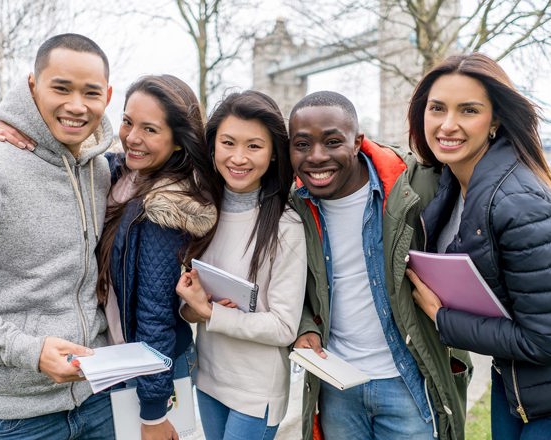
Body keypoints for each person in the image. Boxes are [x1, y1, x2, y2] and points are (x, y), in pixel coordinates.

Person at [0, 34, 116, 439]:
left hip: (98, 400)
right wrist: (31, 353)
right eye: (61, 88)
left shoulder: (101, 172)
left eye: (90, 92)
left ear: (107, 96)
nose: (76, 105)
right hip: (14, 419)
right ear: (32, 86)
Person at [289, 91, 472, 440]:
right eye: (302, 144)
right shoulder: (293, 206)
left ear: (357, 142)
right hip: (336, 384)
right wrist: (302, 326)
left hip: (407, 381)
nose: (316, 157)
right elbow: (292, 284)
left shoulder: (416, 185)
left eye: (332, 142)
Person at [407, 53, 551, 439]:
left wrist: (442, 320)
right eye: (437, 108)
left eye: (468, 110)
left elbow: (544, 338)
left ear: (496, 120)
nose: (447, 124)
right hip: (515, 383)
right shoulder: (452, 185)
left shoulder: (520, 204)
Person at [175, 90, 307, 440]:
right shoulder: (202, 213)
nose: (238, 157)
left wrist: (212, 315)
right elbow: (194, 307)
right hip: (209, 377)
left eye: (254, 146)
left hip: (255, 390)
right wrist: (193, 307)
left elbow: (283, 327)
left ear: (274, 153)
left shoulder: (286, 225)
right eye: (228, 142)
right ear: (213, 146)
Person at [96, 74, 218, 440]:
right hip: (123, 357)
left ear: (178, 142)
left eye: (150, 129)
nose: (132, 137)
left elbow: (155, 314)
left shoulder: (165, 208)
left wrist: (153, 412)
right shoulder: (121, 176)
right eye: (128, 121)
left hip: (152, 366)